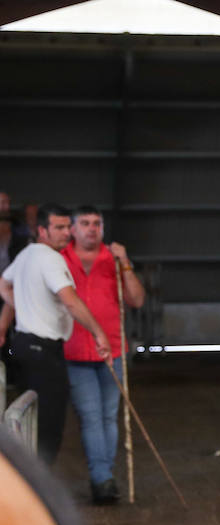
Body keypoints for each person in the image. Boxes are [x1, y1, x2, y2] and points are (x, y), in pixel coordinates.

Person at [0, 203, 111, 466]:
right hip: (44, 351)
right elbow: (71, 301)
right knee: (48, 426)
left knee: (31, 418)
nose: (66, 233)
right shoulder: (50, 258)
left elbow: (3, 284)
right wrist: (99, 333)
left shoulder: (27, 254)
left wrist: (14, 315)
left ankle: (31, 487)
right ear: (42, 230)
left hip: (25, 346)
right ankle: (40, 492)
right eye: (58, 228)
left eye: (67, 227)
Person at [62, 204, 145, 505]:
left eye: (96, 223)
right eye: (84, 223)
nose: (91, 228)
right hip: (74, 350)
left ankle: (103, 477)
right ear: (72, 229)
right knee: (91, 417)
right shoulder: (60, 259)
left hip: (113, 349)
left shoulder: (114, 259)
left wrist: (125, 262)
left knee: (108, 416)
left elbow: (136, 299)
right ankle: (102, 478)